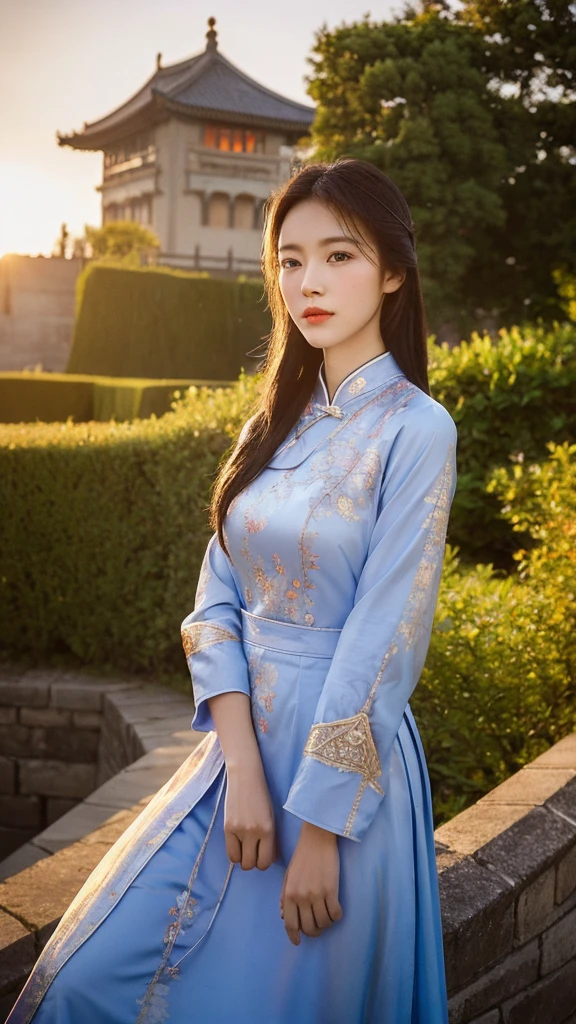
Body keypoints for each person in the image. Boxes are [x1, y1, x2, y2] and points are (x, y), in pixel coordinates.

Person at [8, 157, 457, 1024]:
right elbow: (213, 599)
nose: (308, 283)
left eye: (339, 256)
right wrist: (242, 764)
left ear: (393, 271)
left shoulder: (417, 429)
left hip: (343, 777)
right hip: (238, 752)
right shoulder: (269, 424)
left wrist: (322, 827)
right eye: (290, 260)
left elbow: (387, 635)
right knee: (82, 983)